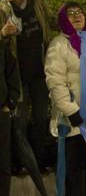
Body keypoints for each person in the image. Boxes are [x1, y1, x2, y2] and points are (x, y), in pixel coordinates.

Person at [45, 1, 86, 196]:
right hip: (72, 124)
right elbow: (56, 82)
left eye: (80, 12)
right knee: (73, 175)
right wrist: (72, 111)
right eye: (71, 14)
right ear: (63, 19)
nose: (77, 16)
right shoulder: (59, 45)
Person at [0, 0, 52, 173]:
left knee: (41, 119)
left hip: (38, 72)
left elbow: (53, 22)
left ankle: (39, 164)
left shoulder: (37, 3)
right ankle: (17, 164)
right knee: (18, 121)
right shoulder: (2, 9)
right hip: (17, 77)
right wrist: (2, 33)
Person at [0, 34, 20, 196]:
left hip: (1, 112)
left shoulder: (3, 48)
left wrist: (10, 103)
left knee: (3, 162)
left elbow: (13, 76)